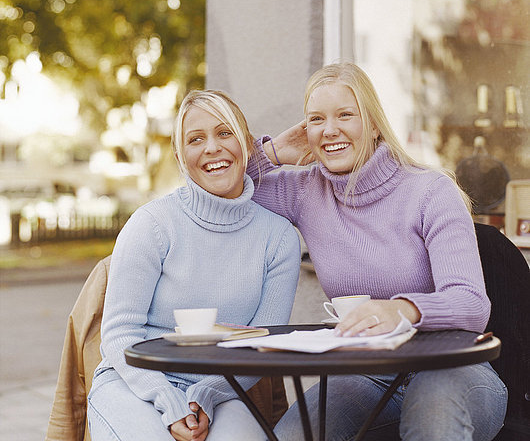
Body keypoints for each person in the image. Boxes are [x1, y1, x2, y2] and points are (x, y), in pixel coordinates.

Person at [246, 62, 507, 441]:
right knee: (293, 436)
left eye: (345, 115)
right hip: (365, 374)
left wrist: (400, 309)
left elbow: (471, 304)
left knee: (431, 421)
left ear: (373, 124)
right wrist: (274, 150)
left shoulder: (430, 191)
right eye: (316, 119)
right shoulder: (304, 191)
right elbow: (215, 180)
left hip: (452, 367)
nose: (330, 129)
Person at [87, 89, 301, 441]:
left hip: (221, 390)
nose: (212, 148)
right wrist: (168, 401)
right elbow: (119, 335)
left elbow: (260, 347)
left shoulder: (278, 238)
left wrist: (207, 395)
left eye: (224, 133)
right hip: (133, 382)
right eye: (195, 139)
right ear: (180, 156)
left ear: (247, 146)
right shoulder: (152, 224)